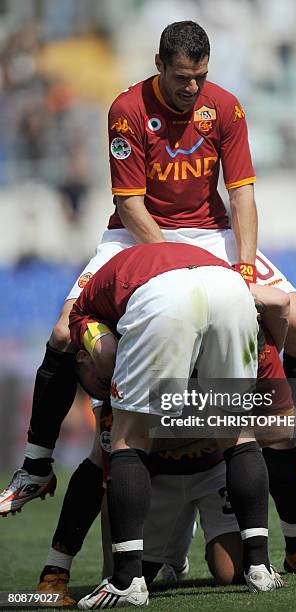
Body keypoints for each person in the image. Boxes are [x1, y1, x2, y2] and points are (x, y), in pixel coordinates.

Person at [0, 20, 296, 519]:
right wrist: (175, 263)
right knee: (63, 333)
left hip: (210, 234)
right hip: (135, 234)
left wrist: (240, 268)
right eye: (182, 78)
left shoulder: (225, 106)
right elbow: (130, 205)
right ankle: (36, 465)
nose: (192, 88)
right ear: (159, 66)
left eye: (200, 77)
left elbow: (241, 195)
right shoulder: (127, 110)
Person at [37, 313, 296, 607]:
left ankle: (284, 545)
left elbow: (280, 429)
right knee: (123, 568)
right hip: (159, 481)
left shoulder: (228, 350)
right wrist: (57, 568)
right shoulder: (121, 376)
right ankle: (174, 549)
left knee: (230, 572)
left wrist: (210, 428)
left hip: (214, 471)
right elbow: (100, 467)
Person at [67, 241, 284, 606]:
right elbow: (281, 306)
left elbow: (105, 356)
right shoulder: (180, 254)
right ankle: (260, 567)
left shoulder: (84, 306)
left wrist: (119, 388)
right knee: (238, 432)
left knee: (129, 439)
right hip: (231, 289)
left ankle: (126, 581)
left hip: (164, 299)